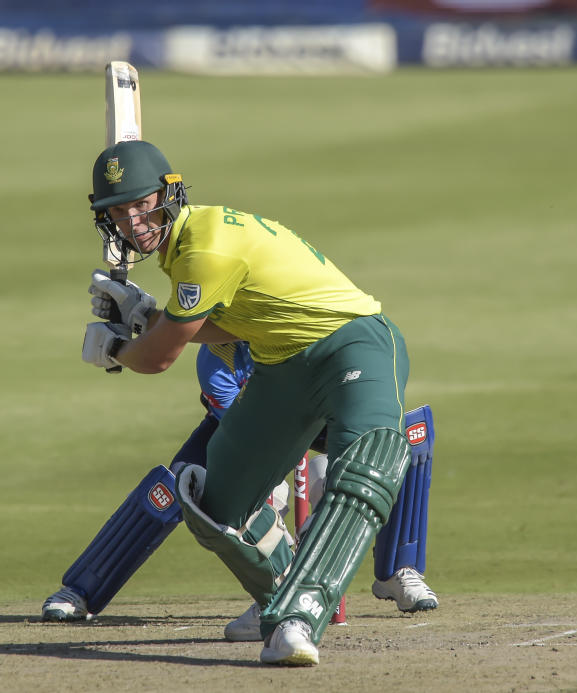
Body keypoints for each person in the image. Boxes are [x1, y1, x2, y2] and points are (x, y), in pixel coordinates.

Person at [81, 140, 424, 666]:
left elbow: (158, 360)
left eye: (143, 203)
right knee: (211, 502)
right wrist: (146, 319)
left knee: (365, 466)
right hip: (282, 367)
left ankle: (299, 619)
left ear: (169, 194)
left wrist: (117, 347)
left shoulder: (204, 250)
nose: (134, 220)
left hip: (353, 342)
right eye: (119, 211)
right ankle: (283, 591)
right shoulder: (190, 246)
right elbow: (222, 325)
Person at [45, 339, 439, 631]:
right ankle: (82, 591)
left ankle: (397, 573)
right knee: (174, 487)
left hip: (324, 417)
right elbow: (247, 437)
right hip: (245, 426)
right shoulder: (218, 356)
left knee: (405, 441)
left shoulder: (302, 328)